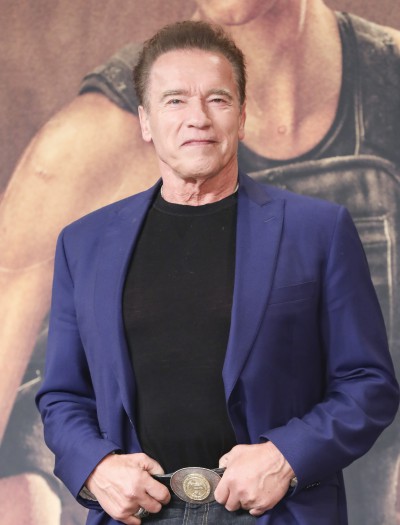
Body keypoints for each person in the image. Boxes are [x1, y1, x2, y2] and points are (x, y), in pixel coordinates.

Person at [2, 1, 400, 524]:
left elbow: (369, 383)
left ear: (242, 116)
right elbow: (61, 397)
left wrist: (286, 457)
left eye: (217, 99)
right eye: (175, 101)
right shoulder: (84, 243)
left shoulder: (319, 230)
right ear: (146, 121)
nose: (198, 118)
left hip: (278, 510)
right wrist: (96, 467)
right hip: (138, 513)